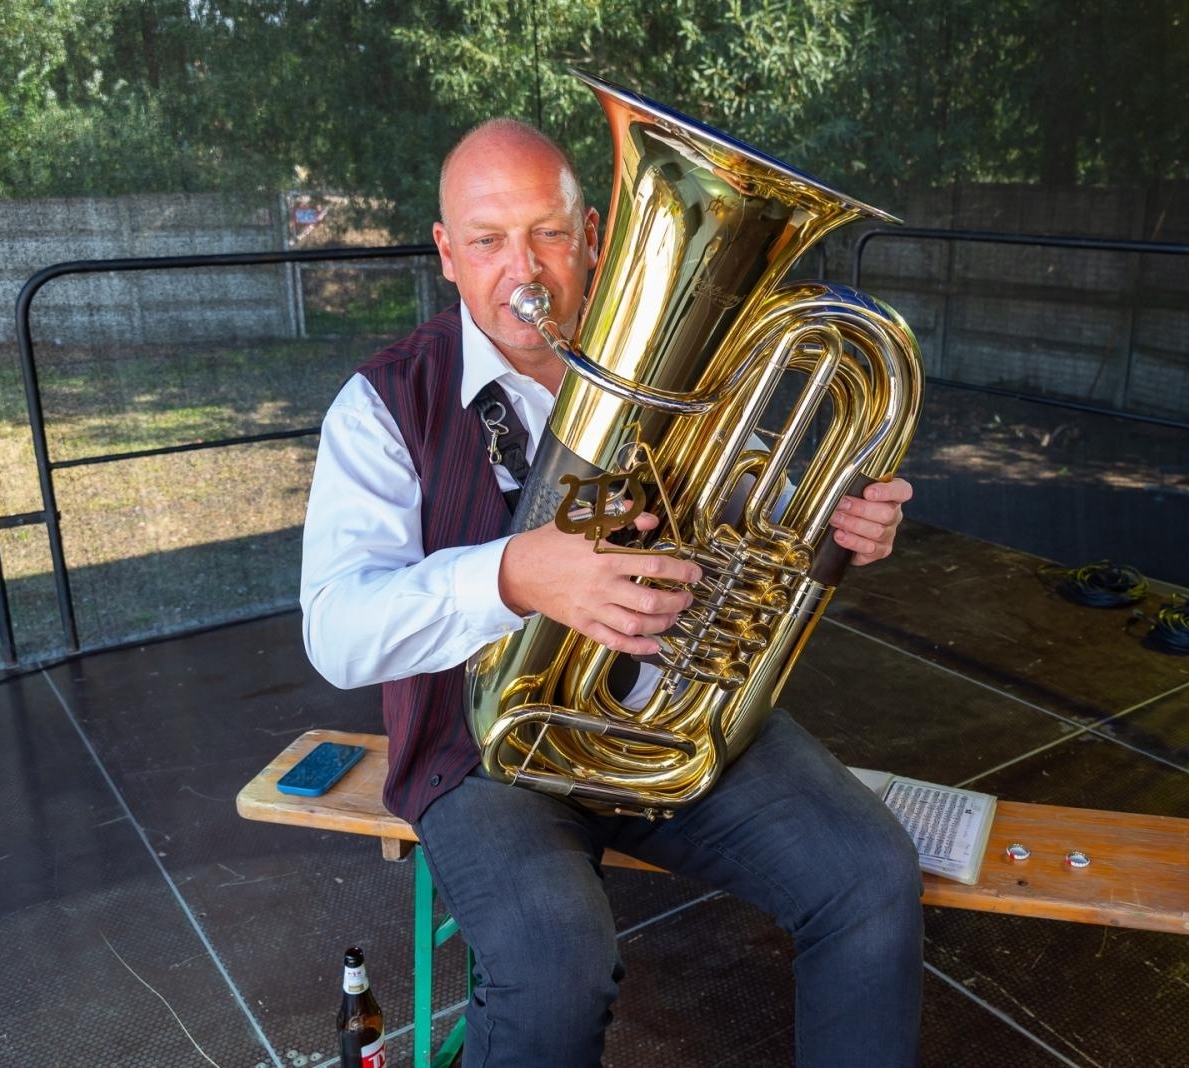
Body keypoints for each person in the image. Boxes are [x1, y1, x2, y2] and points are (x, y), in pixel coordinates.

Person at [299, 117, 925, 1067]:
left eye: (548, 233)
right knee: (554, 970)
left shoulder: (692, 368)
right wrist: (515, 575)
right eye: (488, 240)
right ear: (446, 254)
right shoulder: (383, 404)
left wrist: (836, 517)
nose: (526, 271)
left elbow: (751, 500)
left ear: (593, 234)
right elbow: (337, 633)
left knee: (871, 879)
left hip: (674, 720)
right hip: (486, 752)